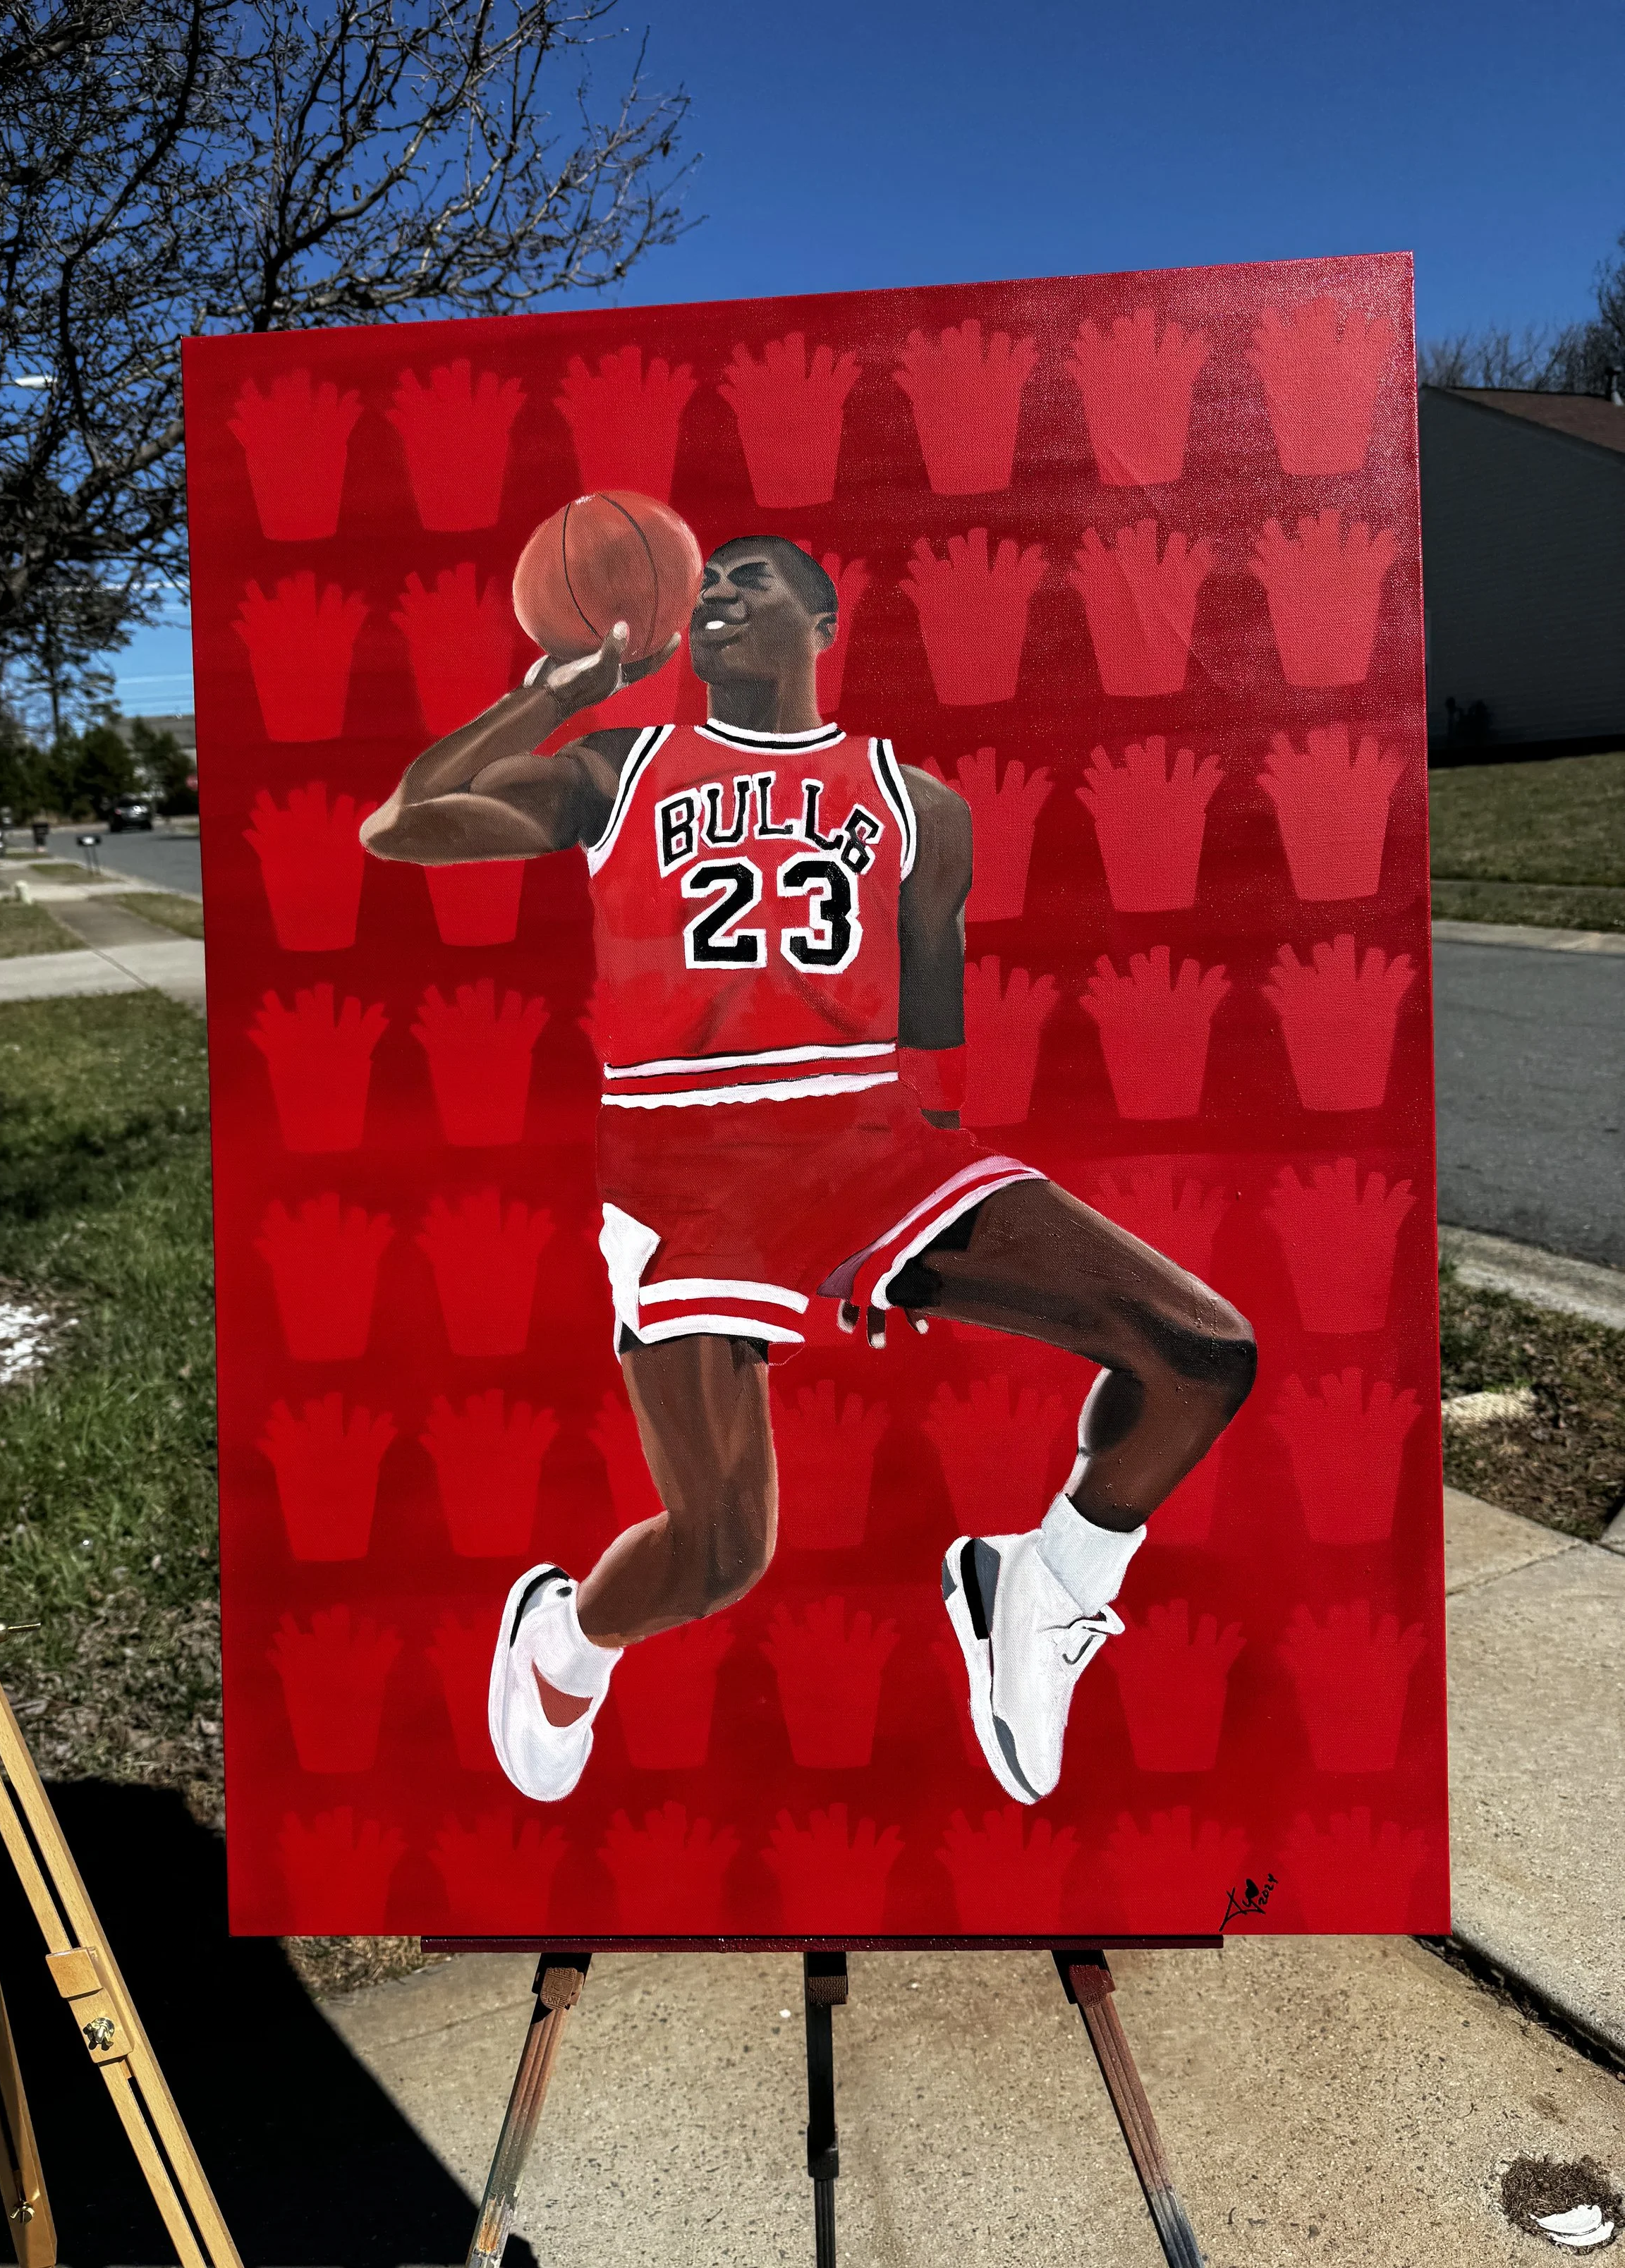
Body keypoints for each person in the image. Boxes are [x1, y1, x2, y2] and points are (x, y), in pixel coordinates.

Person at [361, 535, 1256, 1806]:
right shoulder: (625, 765)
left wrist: (932, 1214)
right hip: (689, 1162)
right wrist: (559, 689)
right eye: (705, 583)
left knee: (1201, 1354)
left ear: (823, 621)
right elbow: (403, 828)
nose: (715, 596)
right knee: (722, 1556)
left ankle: (1044, 1588)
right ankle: (565, 1636)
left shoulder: (918, 805)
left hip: (863, 1142)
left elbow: (933, 1034)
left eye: (750, 582)